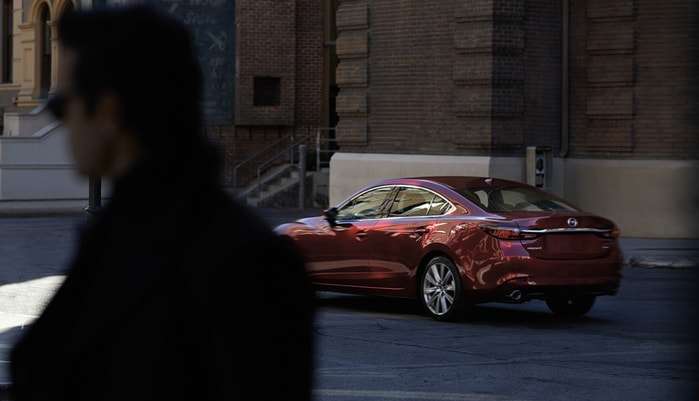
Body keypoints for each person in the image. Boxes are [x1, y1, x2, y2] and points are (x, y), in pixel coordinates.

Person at [10, 6, 313, 401]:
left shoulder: (236, 264)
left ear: (108, 112)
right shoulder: (123, 235)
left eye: (62, 107)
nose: (63, 124)